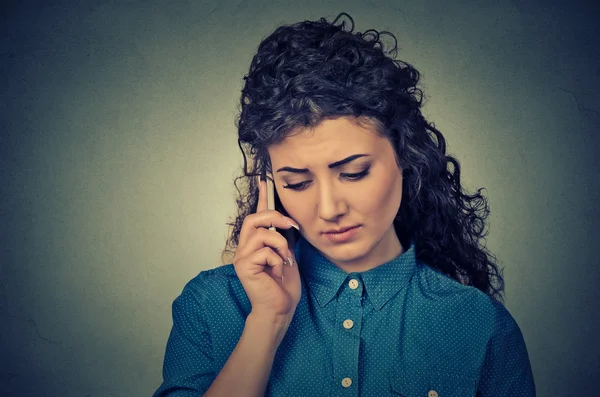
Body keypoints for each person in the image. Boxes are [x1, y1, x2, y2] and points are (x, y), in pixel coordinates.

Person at [153, 12, 536, 397]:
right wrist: (267, 322)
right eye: (298, 183)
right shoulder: (213, 304)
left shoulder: (478, 325)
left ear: (406, 156)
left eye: (353, 173)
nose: (329, 208)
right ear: (269, 186)